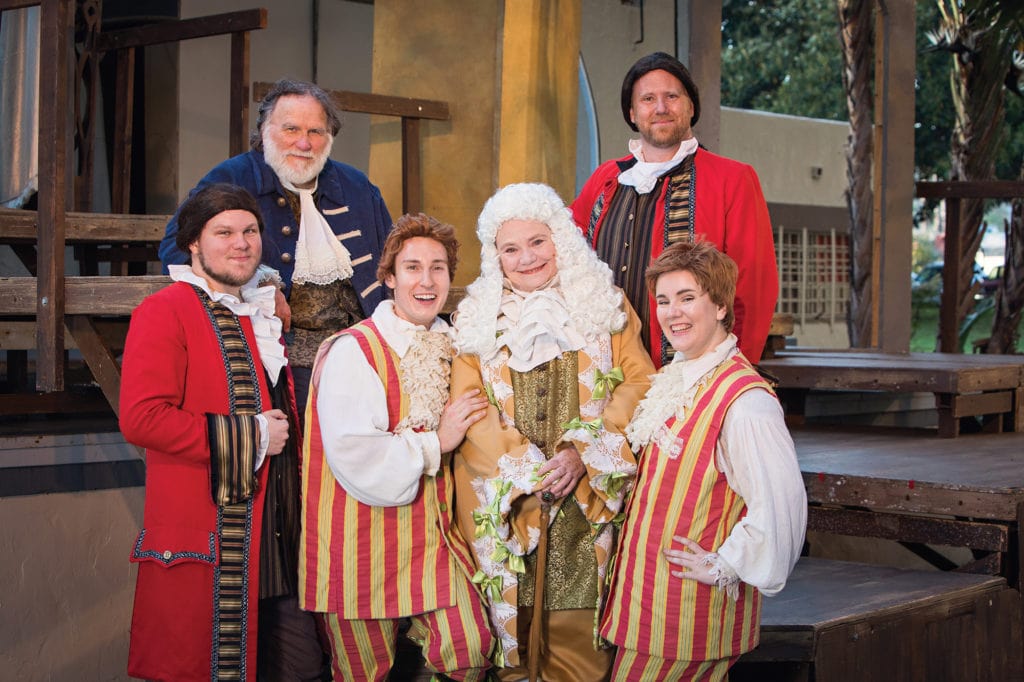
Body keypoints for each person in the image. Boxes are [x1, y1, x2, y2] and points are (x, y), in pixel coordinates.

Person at [159, 78, 391, 678]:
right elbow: (176, 249)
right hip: (277, 367)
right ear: (264, 131)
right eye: (290, 128)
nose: (303, 142)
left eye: (316, 130)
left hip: (354, 361)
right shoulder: (231, 177)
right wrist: (260, 281)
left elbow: (387, 272)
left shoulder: (357, 188)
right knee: (297, 506)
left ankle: (359, 622)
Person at [450, 183, 656, 681]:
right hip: (508, 498)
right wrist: (526, 470)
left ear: (560, 239)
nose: (526, 258)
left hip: (587, 494)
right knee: (510, 634)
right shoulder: (474, 319)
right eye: (511, 248)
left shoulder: (606, 305)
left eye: (537, 242)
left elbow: (640, 381)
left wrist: (584, 452)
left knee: (580, 631)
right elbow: (470, 406)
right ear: (496, 257)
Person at [299, 213, 496, 681]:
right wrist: (438, 441)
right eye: (412, 268)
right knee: (363, 673)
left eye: (438, 268)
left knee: (470, 649)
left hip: (435, 540)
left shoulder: (458, 346)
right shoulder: (354, 350)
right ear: (389, 277)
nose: (426, 281)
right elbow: (356, 455)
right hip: (359, 547)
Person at [601, 241, 805, 682]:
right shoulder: (676, 377)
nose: (672, 313)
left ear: (720, 306)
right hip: (648, 603)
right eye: (663, 300)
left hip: (688, 615)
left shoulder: (746, 401)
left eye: (687, 298)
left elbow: (780, 505)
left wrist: (725, 563)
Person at [120, 184, 294, 681]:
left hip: (275, 537)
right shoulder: (165, 310)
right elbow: (142, 417)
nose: (241, 243)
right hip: (209, 534)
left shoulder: (260, 312)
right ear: (193, 242)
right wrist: (253, 435)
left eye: (250, 231)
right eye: (224, 233)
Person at [571, 51, 778, 367]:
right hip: (608, 373)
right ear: (632, 113)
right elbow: (565, 255)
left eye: (672, 97)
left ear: (691, 107)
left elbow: (753, 287)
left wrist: (733, 370)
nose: (661, 108)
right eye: (648, 99)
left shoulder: (732, 179)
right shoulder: (605, 178)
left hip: (694, 372)